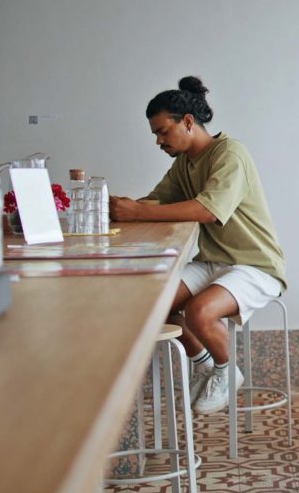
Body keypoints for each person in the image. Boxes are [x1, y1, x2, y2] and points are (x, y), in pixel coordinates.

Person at [110, 76, 286, 415]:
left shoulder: (230, 154)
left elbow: (207, 209)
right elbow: (157, 201)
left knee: (198, 311)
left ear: (187, 122)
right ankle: (203, 362)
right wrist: (123, 208)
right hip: (214, 261)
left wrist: (138, 212)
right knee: (153, 303)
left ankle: (226, 371)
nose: (159, 141)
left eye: (163, 131)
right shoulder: (183, 164)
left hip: (255, 265)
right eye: (155, 134)